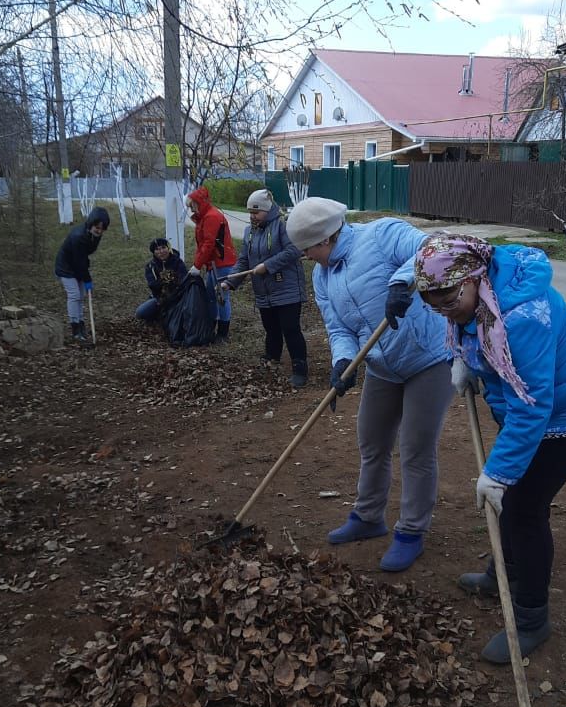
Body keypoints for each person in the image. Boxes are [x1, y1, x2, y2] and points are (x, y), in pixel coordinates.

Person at [414, 232, 566, 664]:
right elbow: (468, 328)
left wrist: (498, 472)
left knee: (523, 508)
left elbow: (533, 405)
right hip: (531, 410)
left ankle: (530, 619)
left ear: (474, 279)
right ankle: (501, 572)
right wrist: (465, 362)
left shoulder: (522, 316)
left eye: (448, 298)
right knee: (509, 501)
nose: (443, 309)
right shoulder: (473, 292)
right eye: (432, 302)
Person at [286, 197, 452, 572]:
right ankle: (368, 516)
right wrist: (343, 361)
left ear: (325, 238)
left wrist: (401, 281)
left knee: (415, 448)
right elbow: (338, 327)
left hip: (430, 358)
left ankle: (411, 532)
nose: (307, 258)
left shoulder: (381, 235)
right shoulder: (322, 276)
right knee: (372, 440)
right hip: (382, 365)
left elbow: (434, 247)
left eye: (307, 250)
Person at [221, 188, 308, 389]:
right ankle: (272, 357)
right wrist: (230, 282)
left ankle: (300, 369)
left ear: (267, 211)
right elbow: (244, 260)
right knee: (271, 328)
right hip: (264, 291)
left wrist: (267, 266)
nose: (252, 216)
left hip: (287, 288)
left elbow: (294, 250)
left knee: (290, 329)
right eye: (250, 212)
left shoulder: (282, 226)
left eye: (255, 212)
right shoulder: (249, 232)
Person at [186, 186, 237, 343]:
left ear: (197, 203)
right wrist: (199, 263)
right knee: (211, 297)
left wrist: (197, 265)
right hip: (214, 263)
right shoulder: (206, 216)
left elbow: (208, 244)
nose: (191, 209)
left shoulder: (211, 217)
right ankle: (211, 327)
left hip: (221, 264)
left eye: (191, 205)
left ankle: (222, 333)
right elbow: (203, 244)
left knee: (221, 297)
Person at [54, 206, 110, 344]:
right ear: (91, 223)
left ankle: (81, 322)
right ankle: (75, 328)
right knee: (74, 295)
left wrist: (85, 274)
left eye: (102, 228)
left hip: (78, 264)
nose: (99, 230)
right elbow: (79, 261)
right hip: (66, 267)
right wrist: (87, 278)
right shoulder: (78, 236)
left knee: (82, 295)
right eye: (97, 227)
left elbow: (84, 256)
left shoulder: (95, 235)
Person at [135, 237, 187, 324]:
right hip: (160, 298)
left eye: (163, 247)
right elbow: (153, 284)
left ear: (168, 248)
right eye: (157, 249)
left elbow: (183, 278)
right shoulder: (150, 266)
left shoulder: (178, 262)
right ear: (154, 252)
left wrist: (171, 282)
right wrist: (167, 280)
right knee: (140, 313)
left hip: (179, 296)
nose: (161, 252)